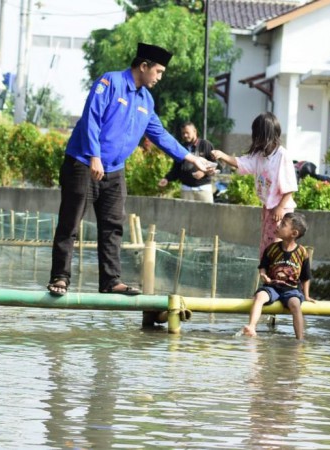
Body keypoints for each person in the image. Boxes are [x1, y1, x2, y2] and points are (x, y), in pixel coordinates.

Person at [47, 42, 213, 297]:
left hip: (115, 170)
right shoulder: (110, 82)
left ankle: (110, 281)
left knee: (113, 225)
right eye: (157, 71)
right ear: (143, 66)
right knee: (70, 222)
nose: (159, 78)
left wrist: (192, 157)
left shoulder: (146, 99)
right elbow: (92, 117)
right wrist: (94, 156)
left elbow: (160, 134)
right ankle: (60, 277)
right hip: (83, 162)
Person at [212, 112, 298, 257]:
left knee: (277, 248)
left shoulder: (282, 156)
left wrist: (280, 208)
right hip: (269, 208)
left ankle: (277, 276)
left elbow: (290, 187)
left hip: (281, 211)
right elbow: (241, 163)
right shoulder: (260, 155)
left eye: (258, 135)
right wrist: (222, 155)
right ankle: (266, 275)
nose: (256, 139)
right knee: (266, 245)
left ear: (267, 135)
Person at [242, 212, 315, 339]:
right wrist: (264, 275)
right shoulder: (271, 248)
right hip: (272, 287)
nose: (278, 226)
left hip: (291, 289)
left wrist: (306, 296)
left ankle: (300, 339)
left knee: (296, 305)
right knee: (259, 297)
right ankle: (252, 327)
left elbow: (306, 276)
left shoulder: (302, 252)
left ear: (294, 234)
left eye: (283, 225)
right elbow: (263, 266)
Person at [158, 121, 217, 203]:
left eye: (187, 133)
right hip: (186, 190)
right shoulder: (181, 148)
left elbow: (215, 165)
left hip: (204, 189)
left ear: (194, 131)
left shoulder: (206, 145)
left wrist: (203, 172)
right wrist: (167, 179)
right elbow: (176, 169)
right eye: (183, 133)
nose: (185, 135)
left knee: (206, 215)